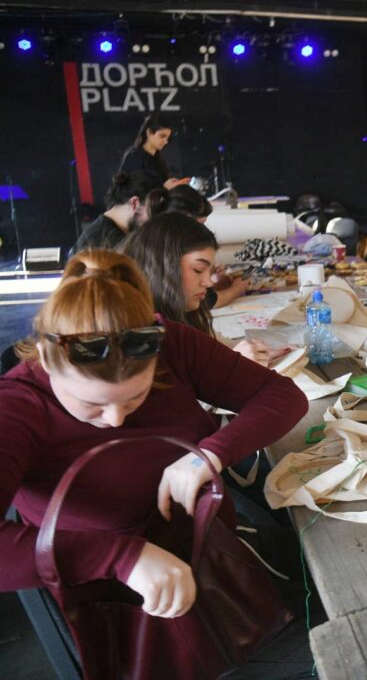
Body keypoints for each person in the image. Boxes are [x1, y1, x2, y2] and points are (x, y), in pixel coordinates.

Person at [0, 250, 306, 658]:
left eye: (136, 397)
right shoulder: (16, 408)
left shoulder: (169, 343)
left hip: (215, 561)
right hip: (120, 606)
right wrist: (122, 557)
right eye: (91, 405)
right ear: (47, 360)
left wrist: (209, 455)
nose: (115, 419)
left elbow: (282, 396)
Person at [119, 212, 273, 365]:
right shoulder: (138, 334)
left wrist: (252, 351)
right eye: (198, 270)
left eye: (210, 272)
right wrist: (232, 362)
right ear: (163, 268)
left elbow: (214, 346)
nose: (209, 283)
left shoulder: (185, 314)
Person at [73, 171, 166, 253]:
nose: (154, 219)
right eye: (154, 210)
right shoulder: (103, 242)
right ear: (134, 203)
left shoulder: (111, 235)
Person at [119, 113, 189, 190]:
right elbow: (130, 190)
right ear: (149, 132)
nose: (166, 142)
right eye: (162, 136)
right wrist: (164, 188)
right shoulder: (134, 156)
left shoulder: (158, 159)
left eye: (167, 138)